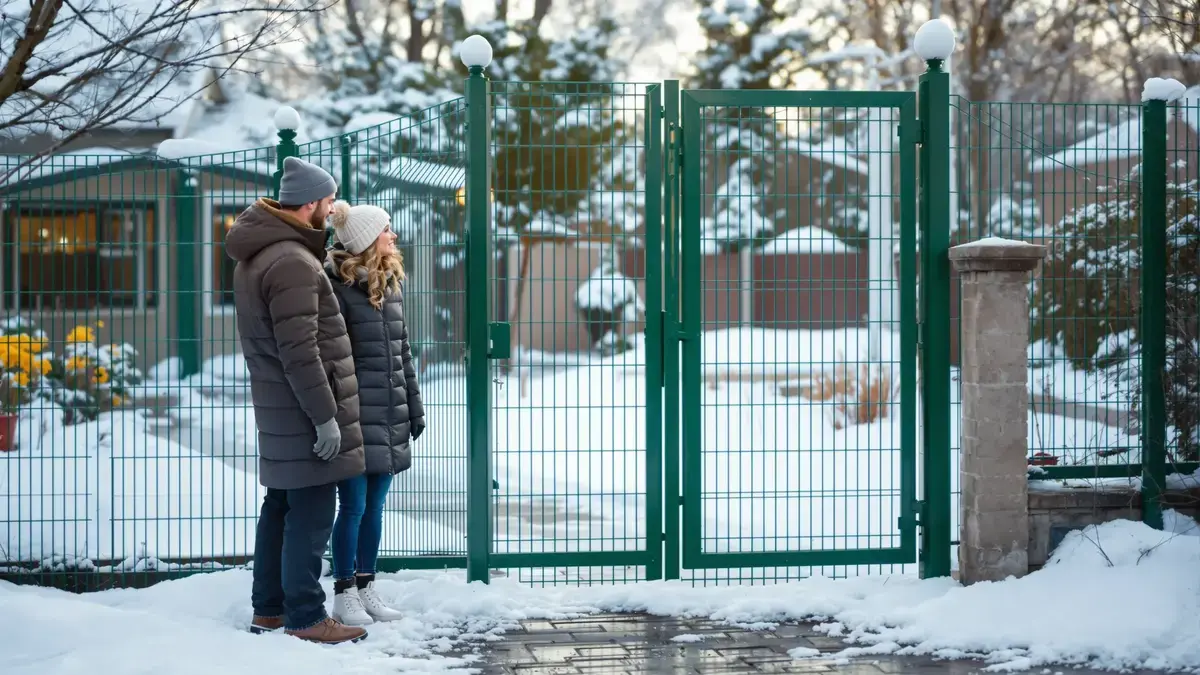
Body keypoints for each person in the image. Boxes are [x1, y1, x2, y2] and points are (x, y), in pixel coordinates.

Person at [224, 157, 369, 645]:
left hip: (280, 406)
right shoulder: (291, 260)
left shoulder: (264, 252)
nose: (332, 211)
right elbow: (300, 350)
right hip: (303, 409)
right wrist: (326, 417)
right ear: (310, 203)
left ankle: (269, 610)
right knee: (310, 513)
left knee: (281, 506)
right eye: (328, 202)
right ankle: (306, 616)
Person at [322, 201, 425, 626]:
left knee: (376, 507)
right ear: (367, 240)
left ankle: (366, 587)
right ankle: (343, 591)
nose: (393, 236)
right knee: (354, 505)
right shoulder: (336, 289)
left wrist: (414, 406)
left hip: (389, 414)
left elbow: (402, 353)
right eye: (386, 229)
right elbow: (330, 360)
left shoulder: (391, 285)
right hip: (354, 416)